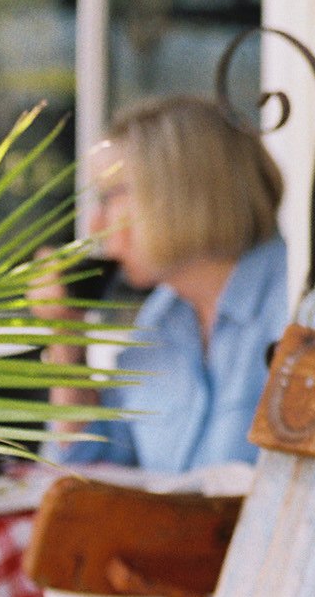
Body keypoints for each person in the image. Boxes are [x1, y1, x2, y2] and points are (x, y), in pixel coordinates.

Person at [40, 94, 290, 473]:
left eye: (110, 197)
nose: (94, 226)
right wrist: (66, 337)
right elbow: (89, 470)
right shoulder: (163, 316)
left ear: (177, 195)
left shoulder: (298, 302)